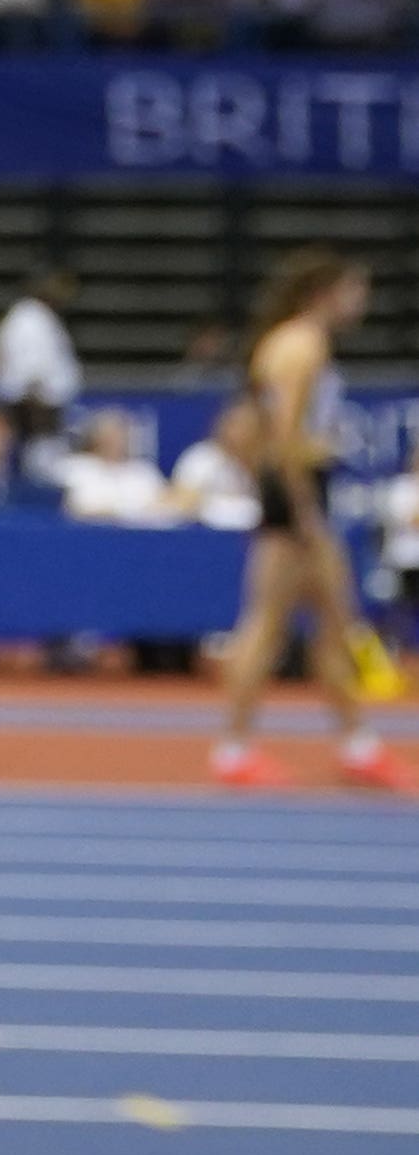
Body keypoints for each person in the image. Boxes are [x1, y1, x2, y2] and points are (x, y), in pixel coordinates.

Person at [210, 247, 394, 789]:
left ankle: (358, 743)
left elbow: (241, 427)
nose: (361, 302)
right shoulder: (302, 346)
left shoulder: (284, 344)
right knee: (269, 623)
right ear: (325, 294)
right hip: (296, 492)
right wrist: (302, 509)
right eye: (353, 291)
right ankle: (234, 748)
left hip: (291, 488)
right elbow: (284, 435)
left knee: (337, 618)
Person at [0, 267, 81, 441]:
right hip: (34, 413)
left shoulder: (38, 315)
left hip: (40, 410)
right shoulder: (30, 317)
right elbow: (32, 375)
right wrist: (37, 417)